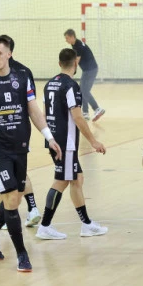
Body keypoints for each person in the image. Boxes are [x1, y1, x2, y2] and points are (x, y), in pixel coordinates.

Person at [0, 36, 62, 272]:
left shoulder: (22, 78)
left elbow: (34, 111)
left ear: (9, 54)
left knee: (14, 199)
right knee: (10, 199)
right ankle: (22, 255)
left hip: (20, 147)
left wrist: (49, 137)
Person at [36, 48, 107, 240]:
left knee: (77, 179)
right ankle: (44, 226)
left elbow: (44, 115)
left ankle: (86, 224)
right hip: (65, 143)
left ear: (59, 63)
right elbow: (78, 117)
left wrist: (49, 138)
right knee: (62, 181)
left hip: (53, 139)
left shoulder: (49, 84)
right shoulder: (71, 86)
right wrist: (93, 141)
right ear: (76, 63)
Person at [0, 34, 42, 226]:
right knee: (20, 172)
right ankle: (33, 209)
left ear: (8, 52)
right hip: (22, 129)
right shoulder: (25, 71)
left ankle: (6, 217)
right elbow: (32, 103)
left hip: (1, 132)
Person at [63, 29, 105, 122]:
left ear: (72, 36)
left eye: (67, 38)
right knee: (82, 91)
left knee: (84, 91)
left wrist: (70, 74)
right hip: (87, 70)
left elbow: (76, 61)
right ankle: (85, 113)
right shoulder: (75, 44)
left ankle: (97, 109)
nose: (66, 40)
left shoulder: (78, 46)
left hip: (91, 70)